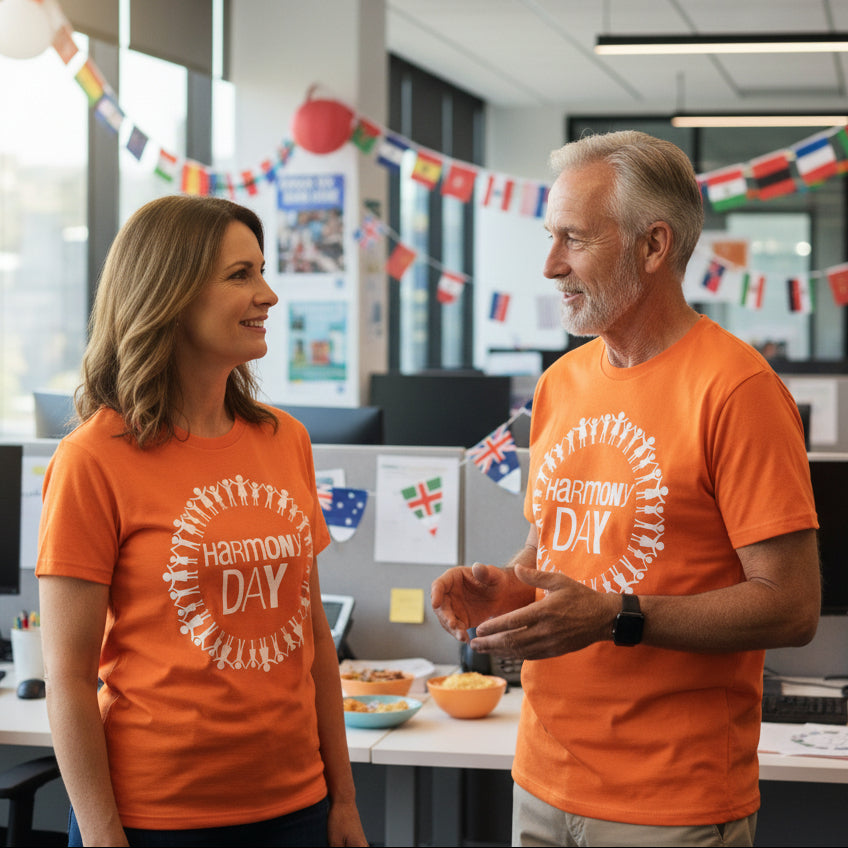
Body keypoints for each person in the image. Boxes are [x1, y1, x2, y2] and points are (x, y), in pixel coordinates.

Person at [431, 131, 820, 847]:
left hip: (670, 799)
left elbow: (791, 606)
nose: (550, 265)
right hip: (542, 777)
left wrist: (618, 616)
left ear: (652, 246)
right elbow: (558, 547)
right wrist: (511, 589)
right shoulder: (559, 384)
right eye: (550, 238)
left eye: (574, 239)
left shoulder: (738, 389)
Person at [36, 195, 368, 848]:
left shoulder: (285, 440)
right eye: (240, 275)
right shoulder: (93, 459)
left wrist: (344, 799)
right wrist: (102, 836)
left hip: (296, 804)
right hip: (154, 817)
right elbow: (68, 681)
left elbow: (314, 640)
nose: (268, 295)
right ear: (171, 295)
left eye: (263, 271)